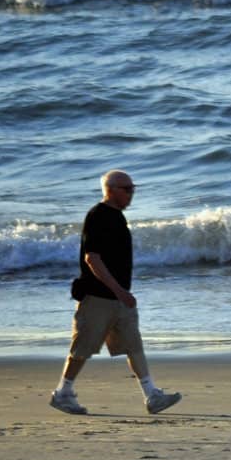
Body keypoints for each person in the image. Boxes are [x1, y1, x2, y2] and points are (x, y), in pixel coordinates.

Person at [49, 170, 181, 416]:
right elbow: (92, 259)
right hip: (98, 296)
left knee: (133, 345)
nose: (132, 194)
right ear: (110, 189)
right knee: (83, 348)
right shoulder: (97, 216)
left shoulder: (118, 217)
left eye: (133, 188)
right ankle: (63, 392)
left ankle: (152, 395)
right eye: (127, 189)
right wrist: (119, 291)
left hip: (120, 297)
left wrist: (122, 293)